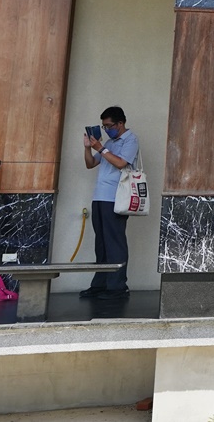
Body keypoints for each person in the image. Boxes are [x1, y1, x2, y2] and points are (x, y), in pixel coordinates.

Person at [82, 105, 139, 300]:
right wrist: (88, 148)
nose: (107, 130)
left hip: (116, 198)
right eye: (104, 126)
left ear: (120, 123)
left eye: (109, 125)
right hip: (100, 197)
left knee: (115, 242)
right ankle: (100, 284)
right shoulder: (109, 143)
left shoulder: (130, 140)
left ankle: (117, 287)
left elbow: (121, 163)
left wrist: (101, 147)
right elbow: (91, 164)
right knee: (102, 243)